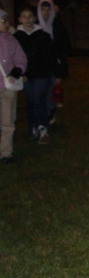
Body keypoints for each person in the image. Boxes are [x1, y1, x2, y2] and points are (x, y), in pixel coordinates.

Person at [14, 7, 59, 145]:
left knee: (39, 99)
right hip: (25, 76)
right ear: (20, 19)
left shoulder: (43, 36)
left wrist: (54, 72)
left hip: (41, 75)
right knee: (31, 102)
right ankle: (33, 127)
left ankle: (43, 128)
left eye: (30, 16)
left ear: (34, 18)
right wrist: (21, 73)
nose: (27, 19)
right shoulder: (16, 37)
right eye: (24, 16)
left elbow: (49, 56)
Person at [0, 10, 28, 163]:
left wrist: (17, 70)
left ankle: (6, 152)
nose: (6, 23)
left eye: (6, 20)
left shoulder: (11, 40)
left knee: (8, 121)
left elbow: (21, 58)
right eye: (3, 21)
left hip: (8, 86)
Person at [36, 0, 70, 120]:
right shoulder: (36, 27)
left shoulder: (57, 26)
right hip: (40, 66)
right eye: (43, 9)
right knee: (41, 91)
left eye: (48, 9)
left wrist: (61, 69)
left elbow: (64, 46)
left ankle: (50, 112)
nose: (46, 12)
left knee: (52, 90)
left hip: (55, 65)